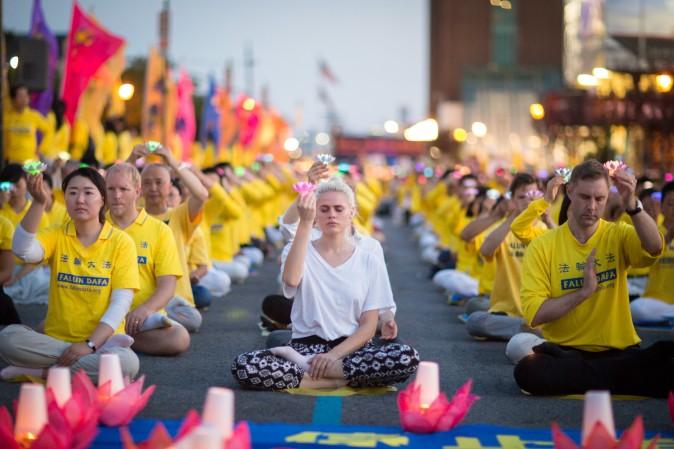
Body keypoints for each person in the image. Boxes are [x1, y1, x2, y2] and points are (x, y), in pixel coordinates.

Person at [232, 178, 418, 391]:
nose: (332, 214)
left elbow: (368, 327)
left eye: (339, 209)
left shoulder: (368, 258)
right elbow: (291, 281)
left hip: (351, 349)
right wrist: (304, 222)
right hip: (305, 347)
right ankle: (341, 378)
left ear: (351, 212)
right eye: (324, 209)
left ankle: (310, 374)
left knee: (407, 357)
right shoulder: (297, 249)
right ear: (315, 214)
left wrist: (332, 356)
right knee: (244, 365)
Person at [510, 159, 671, 397]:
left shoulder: (618, 234)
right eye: (585, 197)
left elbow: (655, 247)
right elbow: (535, 314)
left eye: (600, 199)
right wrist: (582, 293)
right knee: (528, 370)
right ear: (570, 191)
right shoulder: (543, 245)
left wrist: (633, 205)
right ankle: (616, 379)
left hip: (619, 351)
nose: (592, 206)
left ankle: (597, 377)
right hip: (567, 353)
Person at [0, 167, 140, 381]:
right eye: (72, 193)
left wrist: (90, 344)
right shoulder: (57, 235)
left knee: (128, 363)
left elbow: (121, 303)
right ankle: (76, 365)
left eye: (88, 193)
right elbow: (23, 250)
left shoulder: (121, 242)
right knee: (7, 339)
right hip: (56, 340)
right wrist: (38, 202)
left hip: (101, 340)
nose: (80, 199)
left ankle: (42, 371)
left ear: (103, 199)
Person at [106, 163, 191, 355]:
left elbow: (167, 286)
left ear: (137, 192)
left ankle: (114, 338)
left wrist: (144, 310)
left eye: (123, 189)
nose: (117, 195)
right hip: (98, 314)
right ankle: (111, 337)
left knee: (179, 338)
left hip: (139, 320)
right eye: (111, 189)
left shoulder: (159, 230)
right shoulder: (97, 224)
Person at [128, 144, 209, 332]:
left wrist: (172, 161)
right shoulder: (131, 215)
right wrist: (131, 160)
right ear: (138, 188)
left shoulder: (179, 215)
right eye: (146, 183)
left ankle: (144, 322)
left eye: (159, 182)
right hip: (138, 295)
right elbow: (108, 193)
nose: (153, 188)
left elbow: (201, 194)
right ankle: (147, 322)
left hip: (173, 298)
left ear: (170, 185)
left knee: (193, 320)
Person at [464, 174, 547, 340]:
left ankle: (524, 330)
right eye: (521, 197)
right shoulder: (503, 229)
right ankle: (524, 329)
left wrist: (546, 215)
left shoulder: (546, 230)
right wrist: (513, 217)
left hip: (537, 313)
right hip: (505, 312)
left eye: (532, 196)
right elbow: (485, 251)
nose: (527, 201)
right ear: (513, 200)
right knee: (475, 321)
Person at [0, 164, 51, 305]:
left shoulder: (36, 209)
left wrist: (16, 277)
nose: (13, 190)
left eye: (17, 184)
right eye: (7, 185)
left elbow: (41, 256)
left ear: (26, 183)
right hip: (5, 267)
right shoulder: (2, 211)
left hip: (30, 269)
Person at [630, 181, 674, 324]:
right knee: (635, 309)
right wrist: (667, 238)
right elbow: (649, 256)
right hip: (656, 301)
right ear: (661, 206)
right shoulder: (652, 232)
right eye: (670, 203)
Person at [3, 85, 50, 163]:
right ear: (13, 99)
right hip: (11, 160)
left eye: (26, 95)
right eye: (20, 96)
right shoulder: (6, 117)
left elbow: (49, 131)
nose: (24, 99)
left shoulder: (34, 115)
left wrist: (41, 149)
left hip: (30, 160)